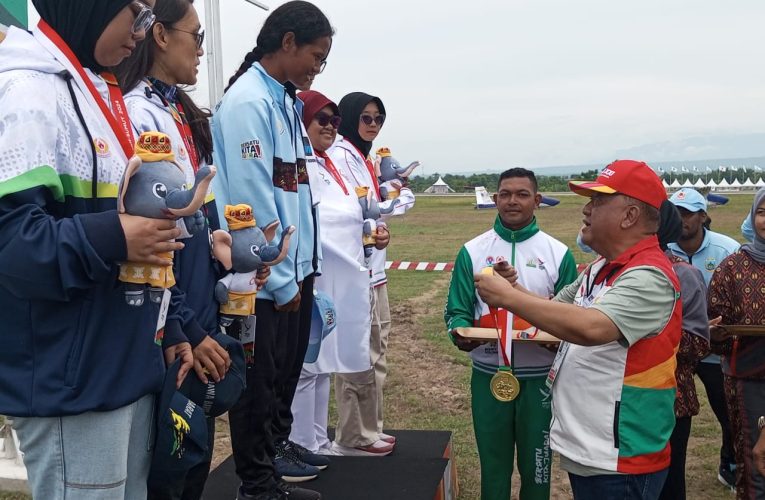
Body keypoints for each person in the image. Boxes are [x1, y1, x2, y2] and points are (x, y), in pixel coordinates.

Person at [0, 1, 192, 498]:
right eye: (140, 13)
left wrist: (169, 324)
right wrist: (120, 235)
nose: (144, 31)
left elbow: (130, 219)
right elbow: (15, 248)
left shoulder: (89, 89)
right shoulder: (26, 90)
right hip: (74, 384)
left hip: (122, 366)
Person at [474, 160, 681, 500]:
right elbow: (559, 310)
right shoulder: (601, 268)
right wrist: (513, 291)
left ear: (629, 216)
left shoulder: (649, 276)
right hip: (593, 447)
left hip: (621, 456)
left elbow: (591, 327)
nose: (586, 209)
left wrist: (508, 297)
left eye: (598, 201)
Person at [113, 0, 237, 497]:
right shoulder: (140, 112)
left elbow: (191, 215)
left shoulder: (174, 110)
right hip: (173, 315)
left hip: (196, 301)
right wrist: (184, 325)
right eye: (197, 36)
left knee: (192, 456)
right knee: (169, 462)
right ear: (160, 36)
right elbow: (153, 234)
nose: (202, 50)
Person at [210, 2, 332, 499]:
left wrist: (303, 269)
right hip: (261, 278)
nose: (317, 68)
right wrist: (281, 279)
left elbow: (297, 190)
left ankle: (274, 462)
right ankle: (256, 484)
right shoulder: (248, 103)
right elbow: (252, 197)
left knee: (283, 374)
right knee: (258, 383)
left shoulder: (283, 100)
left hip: (292, 270)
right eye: (315, 56)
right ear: (286, 42)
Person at [444, 168, 577, 500]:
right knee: (493, 467)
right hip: (489, 376)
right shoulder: (471, 251)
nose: (512, 201)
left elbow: (571, 318)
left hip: (540, 382)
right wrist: (460, 333)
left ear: (537, 200)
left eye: (521, 194)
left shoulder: (558, 254)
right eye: (505, 194)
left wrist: (554, 341)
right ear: (494, 199)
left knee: (538, 468)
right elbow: (457, 311)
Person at [290, 89, 380, 456]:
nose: (330, 127)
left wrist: (371, 233)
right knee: (308, 364)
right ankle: (300, 442)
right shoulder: (299, 163)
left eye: (334, 121)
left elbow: (351, 212)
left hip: (342, 274)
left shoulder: (328, 162)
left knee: (325, 360)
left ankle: (318, 438)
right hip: (315, 274)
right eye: (321, 120)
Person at [327, 91, 406, 456]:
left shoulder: (363, 157)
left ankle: (369, 428)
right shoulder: (341, 156)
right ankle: (354, 435)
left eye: (378, 118)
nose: (373, 125)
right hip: (357, 271)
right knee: (360, 352)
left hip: (375, 269)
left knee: (377, 350)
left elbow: (369, 212)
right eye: (366, 118)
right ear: (349, 118)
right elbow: (349, 212)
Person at [667, 187, 740, 489]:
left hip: (713, 346)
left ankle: (730, 462)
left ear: (703, 216)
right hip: (676, 347)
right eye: (676, 213)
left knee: (726, 409)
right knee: (673, 412)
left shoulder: (726, 249)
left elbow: (738, 295)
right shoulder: (662, 248)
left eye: (688, 213)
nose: (681, 219)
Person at [708, 187, 765, 499]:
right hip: (746, 377)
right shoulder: (733, 267)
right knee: (751, 454)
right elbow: (716, 321)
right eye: (762, 211)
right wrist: (715, 333)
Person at [655, 201, 711, 500]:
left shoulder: (682, 274)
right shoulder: (601, 270)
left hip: (670, 400)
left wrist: (632, 340)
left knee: (667, 484)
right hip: (613, 401)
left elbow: (699, 342)